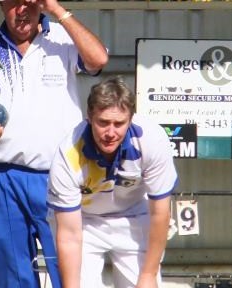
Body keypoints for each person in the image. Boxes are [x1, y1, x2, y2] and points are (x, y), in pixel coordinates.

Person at [0, 0, 108, 287]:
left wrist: (57, 10)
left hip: (59, 176)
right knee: (13, 277)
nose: (22, 9)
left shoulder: (62, 37)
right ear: (1, 4)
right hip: (2, 177)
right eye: (13, 2)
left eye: (30, 1)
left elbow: (98, 60)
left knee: (70, 272)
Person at [48, 77, 178, 288]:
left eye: (119, 124)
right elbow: (69, 235)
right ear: (89, 116)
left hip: (135, 214)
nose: (110, 133)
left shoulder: (152, 140)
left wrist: (148, 275)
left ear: (131, 119)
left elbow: (160, 213)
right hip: (83, 219)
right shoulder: (68, 153)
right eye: (103, 123)